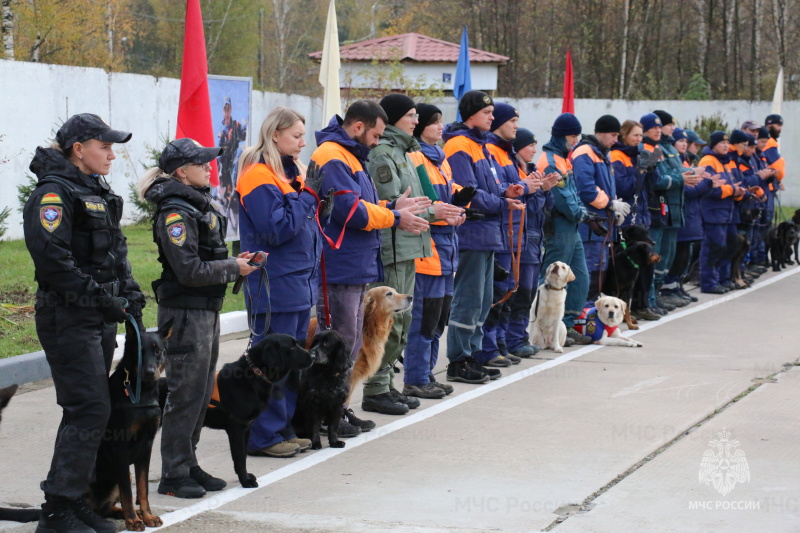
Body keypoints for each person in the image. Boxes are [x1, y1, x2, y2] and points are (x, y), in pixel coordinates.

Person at [24, 113, 145, 533]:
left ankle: (71, 501)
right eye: (104, 147)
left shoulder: (96, 190)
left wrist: (128, 292)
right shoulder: (54, 195)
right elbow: (54, 262)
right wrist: (102, 300)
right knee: (89, 408)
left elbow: (115, 251)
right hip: (68, 315)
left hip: (98, 316)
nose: (112, 154)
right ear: (79, 149)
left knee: (88, 410)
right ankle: (58, 512)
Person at [138, 138, 257, 498]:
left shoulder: (194, 205)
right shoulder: (175, 213)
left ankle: (187, 464)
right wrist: (232, 267)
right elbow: (188, 270)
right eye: (201, 164)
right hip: (186, 312)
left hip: (204, 309)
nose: (209, 169)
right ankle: (173, 474)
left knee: (202, 391)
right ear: (181, 172)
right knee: (184, 394)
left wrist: (236, 264)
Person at [311, 100, 429, 429]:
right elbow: (349, 211)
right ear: (359, 127)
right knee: (338, 344)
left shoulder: (350, 155)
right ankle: (326, 414)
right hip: (339, 266)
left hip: (353, 265)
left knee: (348, 345)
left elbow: (362, 205)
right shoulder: (333, 156)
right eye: (376, 135)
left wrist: (391, 206)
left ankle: (338, 407)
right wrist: (393, 216)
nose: (378, 142)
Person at [362, 94, 461, 413]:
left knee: (401, 323)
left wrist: (440, 210)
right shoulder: (383, 154)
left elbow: (418, 202)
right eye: (411, 115)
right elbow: (392, 204)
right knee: (387, 322)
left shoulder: (405, 152)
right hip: (393, 245)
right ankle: (376, 388)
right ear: (393, 118)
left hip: (411, 244)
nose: (416, 120)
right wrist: (435, 212)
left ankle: (387, 384)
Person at [235, 107, 320, 457]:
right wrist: (309, 196)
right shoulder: (257, 175)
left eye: (303, 136)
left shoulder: (287, 173)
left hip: (297, 280)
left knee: (291, 363)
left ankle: (283, 428)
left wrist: (310, 196)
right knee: (271, 362)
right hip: (275, 282)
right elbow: (277, 229)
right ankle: (264, 435)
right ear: (275, 135)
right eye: (297, 136)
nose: (303, 143)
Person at [443, 90, 525, 384]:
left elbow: (492, 186)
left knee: (483, 299)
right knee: (468, 298)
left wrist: (507, 192)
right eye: (488, 113)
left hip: (489, 234)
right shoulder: (459, 145)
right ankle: (459, 359)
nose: (493, 117)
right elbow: (470, 194)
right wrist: (502, 202)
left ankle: (473, 355)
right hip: (472, 233)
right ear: (472, 115)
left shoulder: (482, 146)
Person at [405, 103, 468, 399]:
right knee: (425, 318)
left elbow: (448, 195)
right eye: (434, 122)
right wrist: (443, 212)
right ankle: (415, 377)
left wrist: (459, 209)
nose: (440, 127)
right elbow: (425, 203)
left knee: (439, 317)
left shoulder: (441, 160)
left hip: (447, 248)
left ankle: (428, 373)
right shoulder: (415, 157)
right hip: (427, 251)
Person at [477, 102, 532, 368]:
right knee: (495, 294)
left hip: (512, 233)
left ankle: (498, 343)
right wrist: (524, 187)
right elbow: (502, 190)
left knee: (507, 291)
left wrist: (533, 187)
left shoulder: (506, 153)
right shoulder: (492, 151)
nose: (516, 126)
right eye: (512, 120)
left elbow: (513, 188)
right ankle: (487, 347)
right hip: (500, 232)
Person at [536, 113, 593, 345]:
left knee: (580, 278)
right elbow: (561, 198)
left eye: (577, 136)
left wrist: (584, 213)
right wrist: (582, 214)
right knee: (551, 281)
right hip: (558, 227)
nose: (575, 140)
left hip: (571, 227)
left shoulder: (563, 159)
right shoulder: (550, 161)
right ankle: (540, 327)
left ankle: (565, 325)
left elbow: (574, 192)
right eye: (572, 135)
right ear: (560, 135)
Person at [505, 128, 558, 355]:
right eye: (529, 145)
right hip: (521, 241)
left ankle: (519, 337)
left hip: (534, 241)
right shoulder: (516, 174)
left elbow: (548, 206)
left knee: (527, 293)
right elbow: (531, 207)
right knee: (517, 293)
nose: (534, 151)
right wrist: (539, 190)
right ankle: (512, 340)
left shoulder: (534, 172)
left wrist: (545, 190)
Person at [572, 114, 628, 302]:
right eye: (613, 135)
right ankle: (583, 312)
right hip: (590, 226)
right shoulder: (585, 152)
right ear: (601, 133)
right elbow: (586, 189)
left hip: (601, 224)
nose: (616, 140)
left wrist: (613, 209)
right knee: (589, 269)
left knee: (599, 270)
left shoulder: (602, 154)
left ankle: (590, 313)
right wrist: (610, 204)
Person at [610, 119, 659, 319]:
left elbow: (650, 186)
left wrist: (652, 168)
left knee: (646, 264)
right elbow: (625, 187)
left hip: (642, 216)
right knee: (628, 268)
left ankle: (642, 304)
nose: (639, 139)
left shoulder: (638, 154)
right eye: (635, 135)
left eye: (641, 135)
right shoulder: (617, 156)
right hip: (627, 220)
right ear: (624, 135)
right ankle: (625, 308)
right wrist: (639, 170)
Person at [662, 129, 714, 303]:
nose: (685, 144)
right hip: (680, 214)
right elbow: (687, 190)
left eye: (686, 141)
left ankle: (677, 285)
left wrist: (707, 183)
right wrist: (707, 182)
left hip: (691, 216)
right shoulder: (677, 164)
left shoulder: (687, 162)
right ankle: (668, 288)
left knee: (685, 255)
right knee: (676, 255)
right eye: (681, 141)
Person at [697, 131, 746, 293]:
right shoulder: (708, 161)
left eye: (727, 143)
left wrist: (738, 191)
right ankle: (709, 283)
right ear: (713, 145)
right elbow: (711, 189)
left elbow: (728, 185)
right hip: (713, 212)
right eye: (722, 143)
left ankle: (723, 278)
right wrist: (733, 189)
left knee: (728, 246)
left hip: (726, 213)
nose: (726, 146)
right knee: (713, 248)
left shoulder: (725, 161)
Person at [217, 96, 247, 207]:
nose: (227, 111)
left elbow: (243, 136)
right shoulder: (221, 128)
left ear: (231, 109)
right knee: (222, 173)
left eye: (228, 108)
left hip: (234, 157)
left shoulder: (236, 125)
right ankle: (221, 195)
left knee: (239, 154)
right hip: (224, 158)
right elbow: (219, 147)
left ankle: (235, 190)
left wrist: (246, 123)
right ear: (222, 111)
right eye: (225, 108)